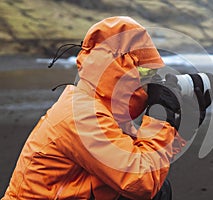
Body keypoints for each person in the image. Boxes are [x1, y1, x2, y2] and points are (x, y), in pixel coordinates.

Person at [2, 16, 186, 200]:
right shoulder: (81, 116)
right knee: (151, 193)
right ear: (123, 69)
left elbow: (144, 157)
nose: (152, 83)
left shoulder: (97, 108)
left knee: (158, 188)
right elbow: (141, 182)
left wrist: (177, 123)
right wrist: (161, 119)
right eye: (147, 73)